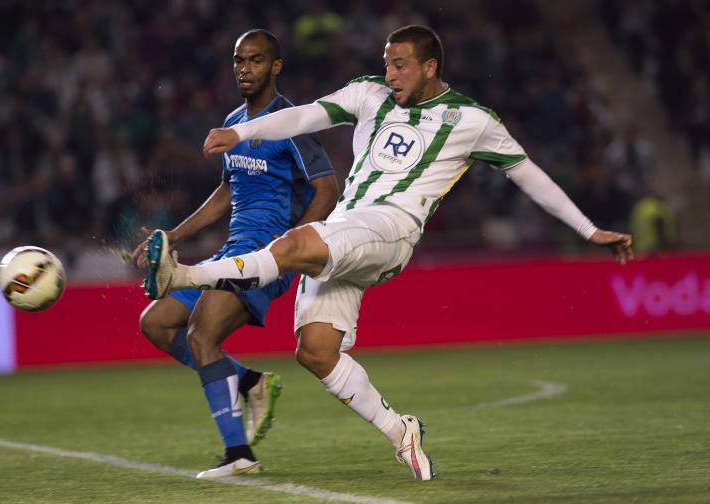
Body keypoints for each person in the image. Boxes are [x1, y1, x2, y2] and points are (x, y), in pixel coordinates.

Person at [144, 25, 634, 481]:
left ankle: (181, 276)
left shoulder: (472, 120)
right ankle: (401, 430)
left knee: (294, 243)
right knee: (315, 353)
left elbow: (529, 175)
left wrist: (589, 230)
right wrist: (243, 131)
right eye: (387, 63)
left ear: (430, 67)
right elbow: (304, 115)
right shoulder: (368, 93)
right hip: (347, 229)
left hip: (391, 228)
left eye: (400, 64)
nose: (390, 74)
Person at [132, 29, 338, 479]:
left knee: (202, 335)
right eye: (239, 60)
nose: (245, 69)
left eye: (256, 60)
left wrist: (293, 246)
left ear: (276, 66)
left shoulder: (293, 121)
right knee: (156, 322)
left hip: (268, 258)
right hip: (232, 252)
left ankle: (238, 454)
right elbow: (228, 190)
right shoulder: (234, 122)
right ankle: (247, 381)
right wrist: (174, 234)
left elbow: (328, 188)